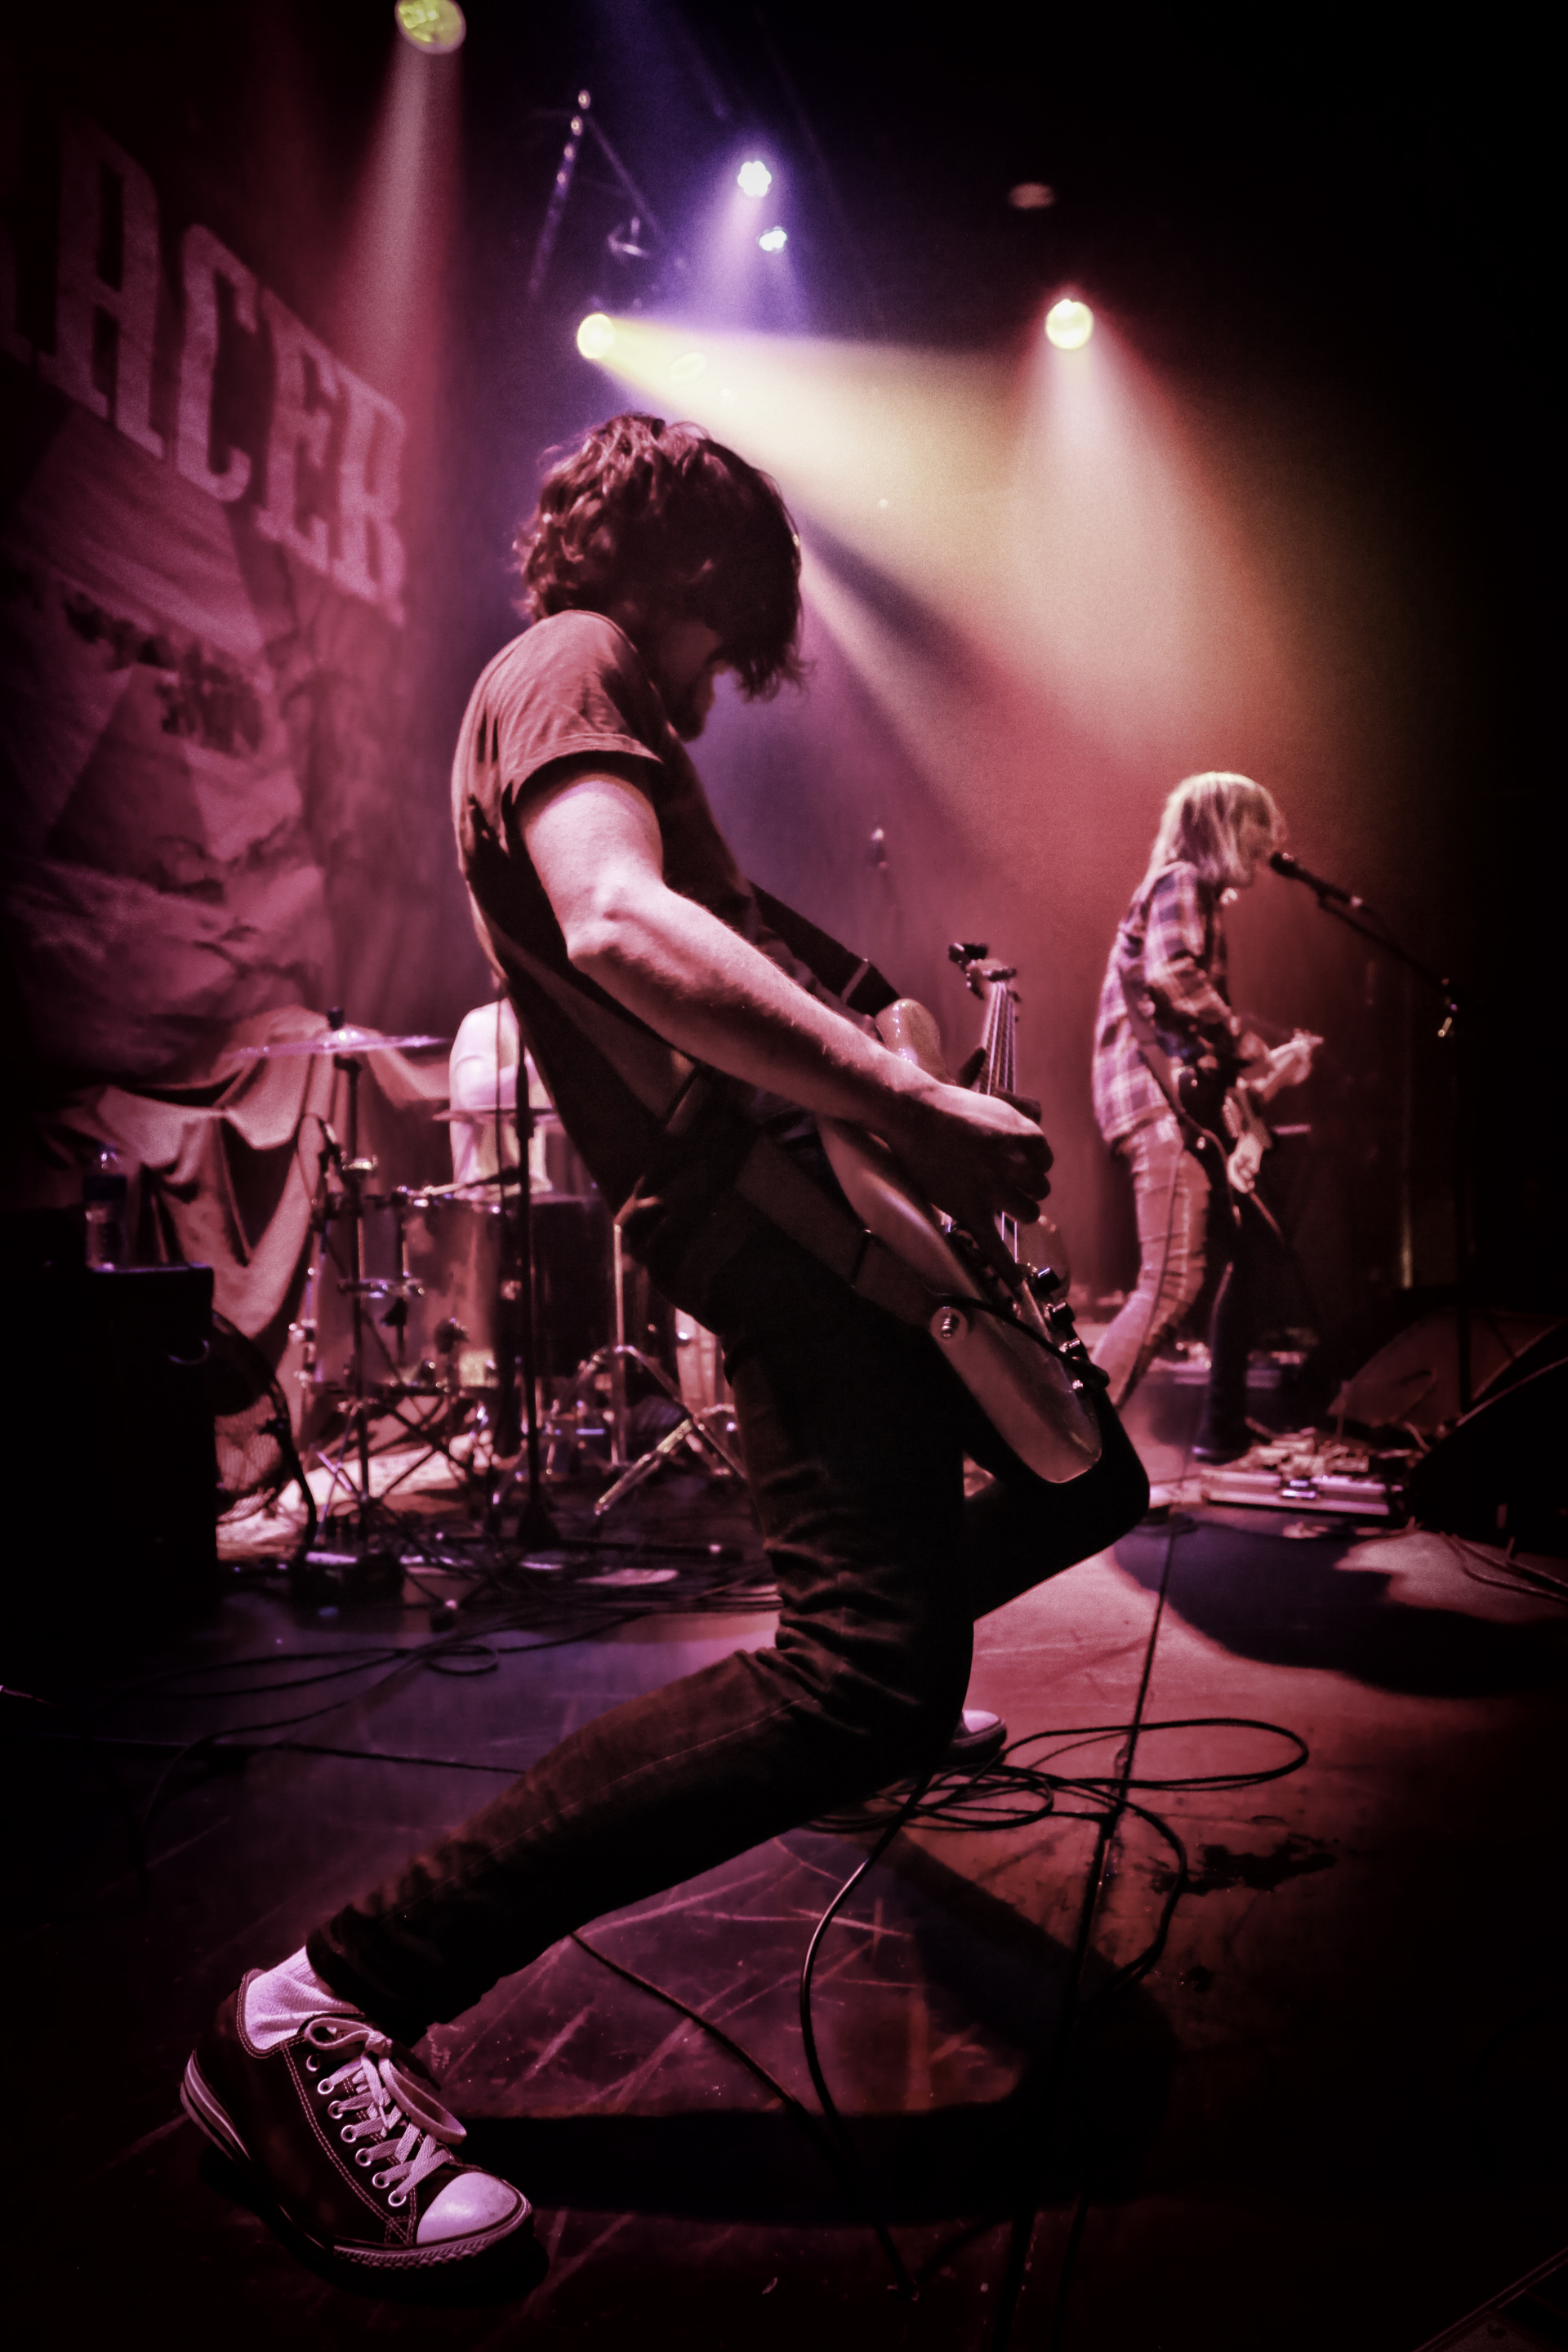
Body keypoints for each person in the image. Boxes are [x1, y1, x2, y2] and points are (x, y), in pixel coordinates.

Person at [181, 414, 1147, 2270]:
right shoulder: (573, 660)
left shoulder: (601, 694)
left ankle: (883, 1646)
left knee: (1081, 1475)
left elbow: (741, 956)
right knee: (858, 1678)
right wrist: (911, 1106)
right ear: (703, 569)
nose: (718, 693)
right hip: (768, 1232)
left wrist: (891, 1073)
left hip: (815, 1222)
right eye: (729, 641)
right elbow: (618, 921)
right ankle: (316, 2005)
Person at [1089, 772, 1316, 1463]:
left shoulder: (1199, 898)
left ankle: (1220, 1428)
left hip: (1176, 1103)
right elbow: (1175, 980)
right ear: (1224, 823)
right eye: (1260, 823)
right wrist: (1249, 1048)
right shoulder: (1182, 880)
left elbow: (1193, 1035)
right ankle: (1066, 1447)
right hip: (1154, 1103)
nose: (1273, 841)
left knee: (1255, 1253)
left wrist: (1258, 1080)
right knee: (1168, 1285)